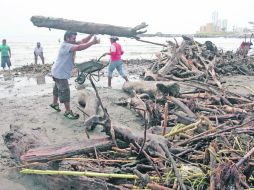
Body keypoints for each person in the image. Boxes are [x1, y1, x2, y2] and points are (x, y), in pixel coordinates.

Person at [50, 31, 100, 120]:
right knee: (65, 91)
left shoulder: (70, 43)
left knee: (57, 88)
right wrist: (92, 42)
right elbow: (80, 47)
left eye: (75, 38)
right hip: (60, 73)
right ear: (67, 38)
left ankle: (54, 104)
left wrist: (91, 34)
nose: (75, 40)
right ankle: (68, 112)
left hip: (56, 71)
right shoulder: (66, 46)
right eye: (73, 38)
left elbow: (83, 41)